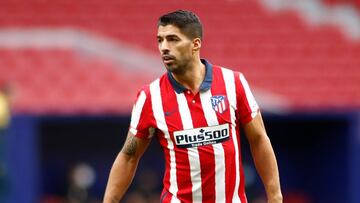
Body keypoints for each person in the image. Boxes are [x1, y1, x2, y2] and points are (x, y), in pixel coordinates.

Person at [103, 10, 282, 203]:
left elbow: (259, 139)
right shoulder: (150, 96)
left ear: (195, 44)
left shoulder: (233, 83)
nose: (164, 47)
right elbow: (129, 155)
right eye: (160, 40)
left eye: (173, 39)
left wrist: (275, 196)